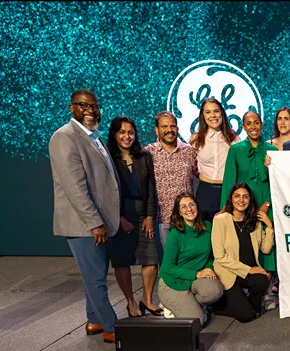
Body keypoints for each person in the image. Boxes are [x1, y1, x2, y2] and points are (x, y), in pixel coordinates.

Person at [49, 89, 119, 344]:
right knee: (95, 278)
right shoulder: (65, 137)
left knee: (96, 273)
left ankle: (95, 320)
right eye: (83, 105)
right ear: (72, 108)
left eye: (93, 105)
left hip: (96, 222)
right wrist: (95, 222)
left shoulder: (93, 137)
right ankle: (112, 328)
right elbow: (75, 187)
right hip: (85, 224)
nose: (90, 110)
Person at [107, 116, 161, 317]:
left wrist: (149, 215)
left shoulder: (144, 156)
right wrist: (119, 218)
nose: (127, 136)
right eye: (122, 132)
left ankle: (147, 300)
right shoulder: (109, 158)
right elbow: (105, 192)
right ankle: (131, 302)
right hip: (120, 215)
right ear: (114, 134)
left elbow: (150, 187)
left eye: (130, 132)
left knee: (151, 258)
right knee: (122, 260)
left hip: (142, 213)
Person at [222, 110, 278, 274]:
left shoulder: (272, 149)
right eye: (248, 123)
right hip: (243, 204)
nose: (253, 127)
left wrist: (267, 204)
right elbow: (229, 181)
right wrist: (227, 208)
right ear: (244, 127)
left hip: (267, 202)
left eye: (256, 123)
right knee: (246, 241)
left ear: (261, 124)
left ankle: (267, 289)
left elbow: (277, 182)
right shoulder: (236, 150)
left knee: (268, 242)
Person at [211, 183, 274, 322]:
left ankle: (250, 303)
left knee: (263, 280)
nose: (241, 200)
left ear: (250, 200)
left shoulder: (254, 222)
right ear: (231, 199)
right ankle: (215, 306)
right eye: (237, 196)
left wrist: (269, 226)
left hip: (248, 274)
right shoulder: (220, 220)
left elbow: (266, 248)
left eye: (245, 197)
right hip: (229, 272)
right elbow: (219, 257)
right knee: (246, 316)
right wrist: (249, 269)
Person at [158, 193, 224, 323]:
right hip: (173, 282)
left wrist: (209, 268)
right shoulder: (175, 234)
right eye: (183, 207)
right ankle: (172, 304)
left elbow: (211, 256)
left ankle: (185, 306)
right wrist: (198, 273)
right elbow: (168, 268)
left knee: (215, 291)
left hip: (194, 279)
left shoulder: (207, 227)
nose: (189, 209)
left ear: (197, 207)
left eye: (191, 204)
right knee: (198, 320)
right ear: (179, 213)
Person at [144, 111, 198, 250]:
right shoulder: (148, 152)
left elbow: (204, 175)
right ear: (157, 130)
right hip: (162, 220)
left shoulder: (189, 151)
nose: (169, 130)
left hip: (187, 219)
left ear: (178, 129)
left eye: (173, 126)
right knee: (167, 263)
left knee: (187, 261)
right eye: (164, 126)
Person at [189, 97, 240, 223]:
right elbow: (191, 165)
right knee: (206, 233)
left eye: (216, 111)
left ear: (222, 113)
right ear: (203, 116)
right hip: (205, 191)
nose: (213, 115)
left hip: (227, 190)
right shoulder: (196, 138)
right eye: (208, 112)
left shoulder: (233, 138)